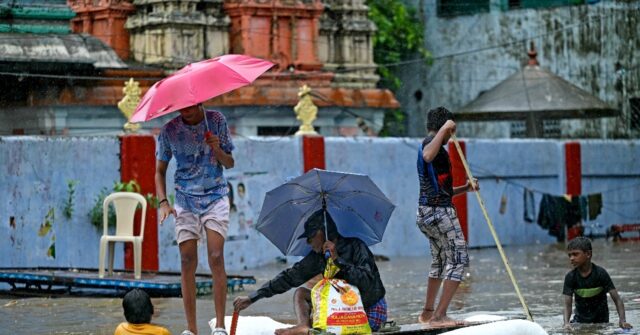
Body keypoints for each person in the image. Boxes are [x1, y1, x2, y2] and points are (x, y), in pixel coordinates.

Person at [233, 211, 387, 335]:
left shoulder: (356, 246)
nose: (308, 242)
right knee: (300, 293)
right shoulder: (318, 258)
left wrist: (338, 261)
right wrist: (252, 297)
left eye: (310, 237)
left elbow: (367, 282)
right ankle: (303, 326)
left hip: (368, 310)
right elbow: (288, 278)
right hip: (341, 308)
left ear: (321, 233)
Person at [155, 103, 235, 335]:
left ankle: (220, 326)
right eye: (181, 108)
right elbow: (159, 171)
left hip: (215, 196)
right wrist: (163, 203)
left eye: (190, 107)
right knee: (187, 260)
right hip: (184, 199)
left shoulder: (217, 120)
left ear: (199, 102)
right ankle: (191, 329)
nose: (185, 111)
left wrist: (217, 149)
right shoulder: (169, 130)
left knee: (216, 256)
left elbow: (230, 163)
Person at [416, 106, 478, 326]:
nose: (451, 136)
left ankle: (427, 313)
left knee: (441, 260)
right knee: (459, 258)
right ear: (443, 126)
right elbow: (427, 154)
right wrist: (445, 130)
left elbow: (442, 191)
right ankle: (440, 316)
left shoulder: (438, 151)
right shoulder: (430, 145)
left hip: (427, 211)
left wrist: (465, 188)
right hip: (438, 213)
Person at [563, 237, 632, 330]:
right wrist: (566, 323)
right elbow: (567, 305)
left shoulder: (601, 273)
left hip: (602, 323)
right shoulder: (570, 277)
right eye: (569, 255)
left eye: (575, 254)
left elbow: (617, 300)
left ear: (588, 254)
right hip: (580, 323)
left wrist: (622, 321)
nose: (571, 258)